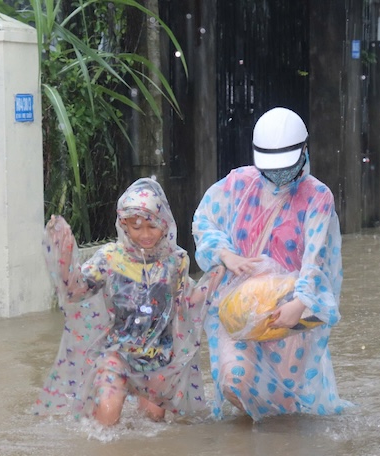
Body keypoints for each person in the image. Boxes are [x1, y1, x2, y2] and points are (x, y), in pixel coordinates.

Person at [192, 107, 350, 421]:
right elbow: (203, 221)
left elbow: (317, 258)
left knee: (282, 411)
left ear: (305, 151)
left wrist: (301, 303)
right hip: (239, 308)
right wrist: (227, 254)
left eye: (285, 168)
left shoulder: (317, 196)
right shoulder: (239, 183)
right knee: (234, 383)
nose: (277, 176)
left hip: (290, 315)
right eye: (270, 169)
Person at [34, 177, 223, 426]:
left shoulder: (176, 261)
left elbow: (186, 303)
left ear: (165, 224)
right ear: (124, 225)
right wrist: (65, 261)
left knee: (153, 423)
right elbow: (76, 292)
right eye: (136, 227)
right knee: (108, 415)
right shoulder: (110, 258)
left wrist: (218, 275)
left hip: (158, 359)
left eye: (152, 226)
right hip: (118, 353)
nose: (145, 234)